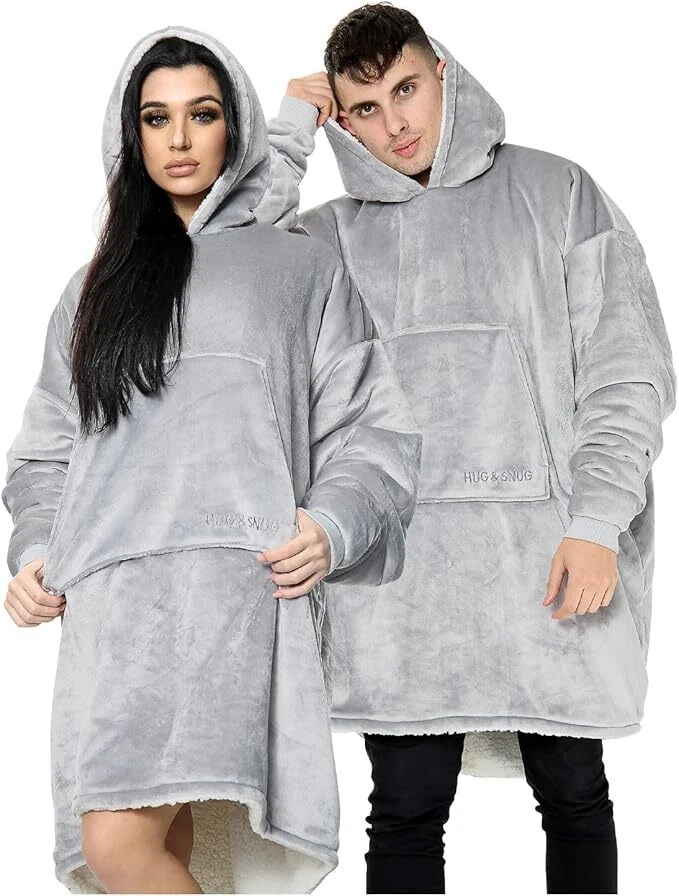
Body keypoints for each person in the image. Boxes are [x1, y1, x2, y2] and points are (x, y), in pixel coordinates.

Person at [261, 4, 677, 893]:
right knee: (405, 807)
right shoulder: (326, 237)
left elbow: (626, 367)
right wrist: (287, 137)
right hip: (397, 578)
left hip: (548, 555)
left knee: (574, 790)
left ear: (442, 73)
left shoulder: (556, 192)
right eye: (364, 107)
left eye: (406, 89)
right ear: (341, 119)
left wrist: (596, 522)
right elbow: (219, 274)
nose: (395, 124)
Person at [1, 24, 422, 895]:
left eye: (202, 113)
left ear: (235, 123)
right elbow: (46, 450)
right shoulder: (92, 290)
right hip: (114, 611)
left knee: (118, 842)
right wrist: (35, 549)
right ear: (132, 135)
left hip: (238, 594)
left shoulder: (298, 269)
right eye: (156, 118)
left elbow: (373, 429)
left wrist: (332, 526)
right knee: (152, 843)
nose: (180, 139)